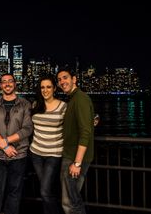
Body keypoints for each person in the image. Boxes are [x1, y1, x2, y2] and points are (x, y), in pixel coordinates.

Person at [0, 73, 34, 214]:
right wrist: (4, 146)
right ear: (0, 85)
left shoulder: (25, 104)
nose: (7, 84)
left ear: (15, 84)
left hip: (18, 155)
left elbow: (27, 128)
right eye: (4, 82)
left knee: (14, 193)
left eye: (10, 81)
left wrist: (6, 141)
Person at [56, 67, 95, 214]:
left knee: (71, 201)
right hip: (71, 155)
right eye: (59, 80)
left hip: (74, 158)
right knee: (69, 199)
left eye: (65, 78)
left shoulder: (80, 98)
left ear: (74, 79)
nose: (62, 82)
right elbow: (85, 122)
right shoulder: (73, 99)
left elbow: (85, 132)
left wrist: (77, 163)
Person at [29, 75, 67, 214]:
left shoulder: (63, 106)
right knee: (47, 191)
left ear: (54, 88)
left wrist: (92, 120)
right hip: (36, 153)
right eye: (42, 87)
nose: (45, 90)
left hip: (54, 154)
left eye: (48, 87)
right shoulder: (35, 105)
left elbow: (75, 122)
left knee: (45, 191)